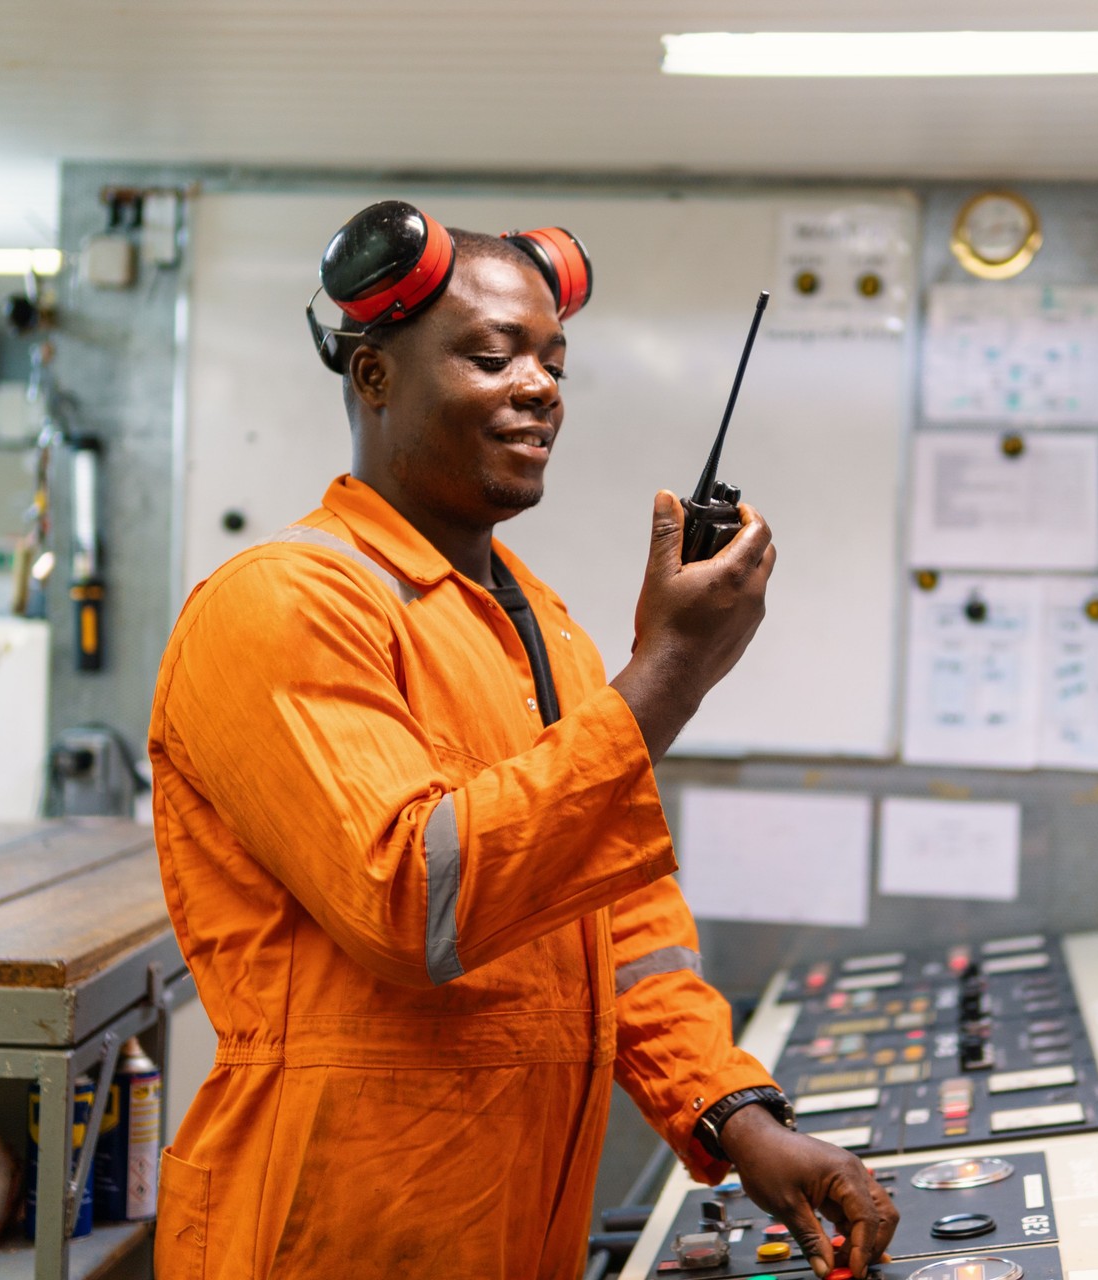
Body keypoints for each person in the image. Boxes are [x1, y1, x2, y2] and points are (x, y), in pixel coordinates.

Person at [148, 202, 897, 1278]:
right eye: (494, 356)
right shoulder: (284, 604)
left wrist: (737, 1114)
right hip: (332, 1230)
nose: (541, 385)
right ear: (373, 376)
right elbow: (412, 899)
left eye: (554, 360)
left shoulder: (537, 624)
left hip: (515, 1227)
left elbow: (621, 927)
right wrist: (668, 674)